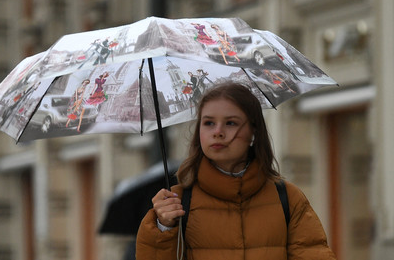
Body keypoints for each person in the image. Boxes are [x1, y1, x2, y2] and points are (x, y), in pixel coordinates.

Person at [136, 82, 335, 260]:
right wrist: (163, 228)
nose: (218, 132)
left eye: (230, 123)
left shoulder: (288, 198)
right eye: (208, 123)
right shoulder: (177, 202)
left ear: (253, 132)